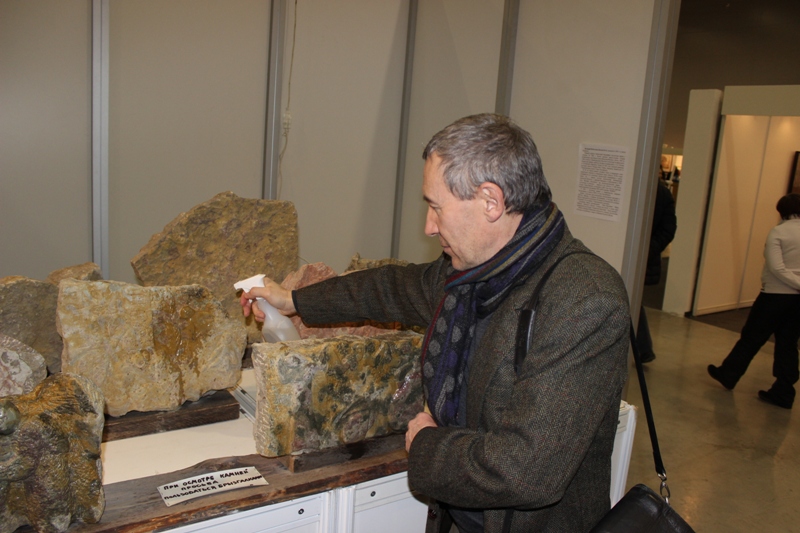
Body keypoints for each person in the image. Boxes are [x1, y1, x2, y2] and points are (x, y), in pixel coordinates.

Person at [241, 114, 630, 532]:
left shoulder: (585, 301)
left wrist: (427, 443)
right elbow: (388, 288)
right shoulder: (470, 274)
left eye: (436, 207)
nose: (428, 226)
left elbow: (524, 471)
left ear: (490, 201)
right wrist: (294, 300)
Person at [708, 193, 800, 409]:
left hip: (774, 296)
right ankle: (784, 391)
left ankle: (729, 374)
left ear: (782, 210)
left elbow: (776, 268)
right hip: (798, 301)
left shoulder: (778, 232)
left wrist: (796, 283)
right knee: (788, 343)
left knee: (752, 337)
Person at [637, 178, 677, 362]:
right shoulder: (659, 192)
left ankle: (643, 349)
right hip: (640, 256)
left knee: (632, 301)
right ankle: (643, 349)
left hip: (643, 259)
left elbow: (668, 230)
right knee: (632, 302)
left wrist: (647, 249)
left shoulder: (660, 193)